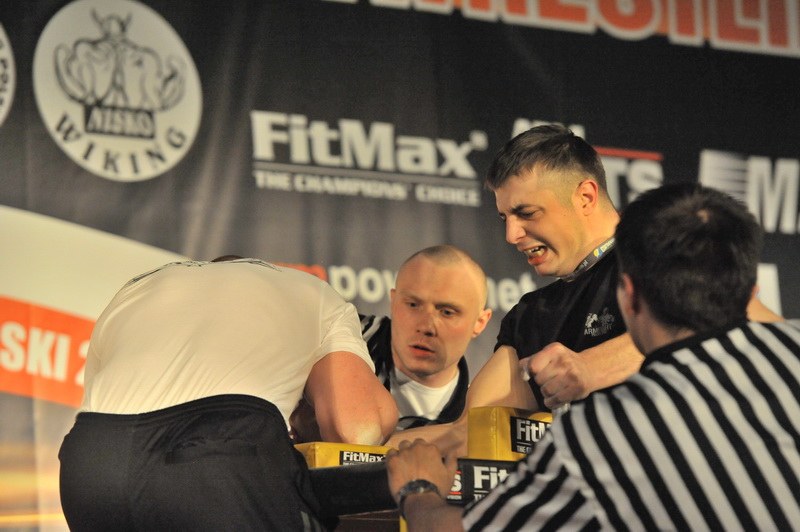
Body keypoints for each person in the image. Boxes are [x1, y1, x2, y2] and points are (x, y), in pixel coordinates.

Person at [384, 182, 800, 530]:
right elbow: (469, 430)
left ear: (628, 296)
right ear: (751, 290)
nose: (513, 233)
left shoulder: (601, 431)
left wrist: (418, 490)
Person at [386, 124, 781, 454]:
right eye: (505, 217)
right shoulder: (531, 314)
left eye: (526, 213)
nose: (511, 234)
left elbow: (753, 329)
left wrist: (592, 367)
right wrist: (364, 453)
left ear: (586, 196)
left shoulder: (667, 251)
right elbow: (473, 431)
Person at [58, 257, 398, 531]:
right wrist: (304, 412)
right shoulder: (314, 292)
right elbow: (358, 430)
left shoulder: (136, 288)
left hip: (91, 464)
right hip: (219, 455)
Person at [360, 245, 493, 430]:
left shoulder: (477, 425)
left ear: (480, 322)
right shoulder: (338, 338)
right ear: (393, 301)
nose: (426, 327)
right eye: (413, 305)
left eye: (447, 312)